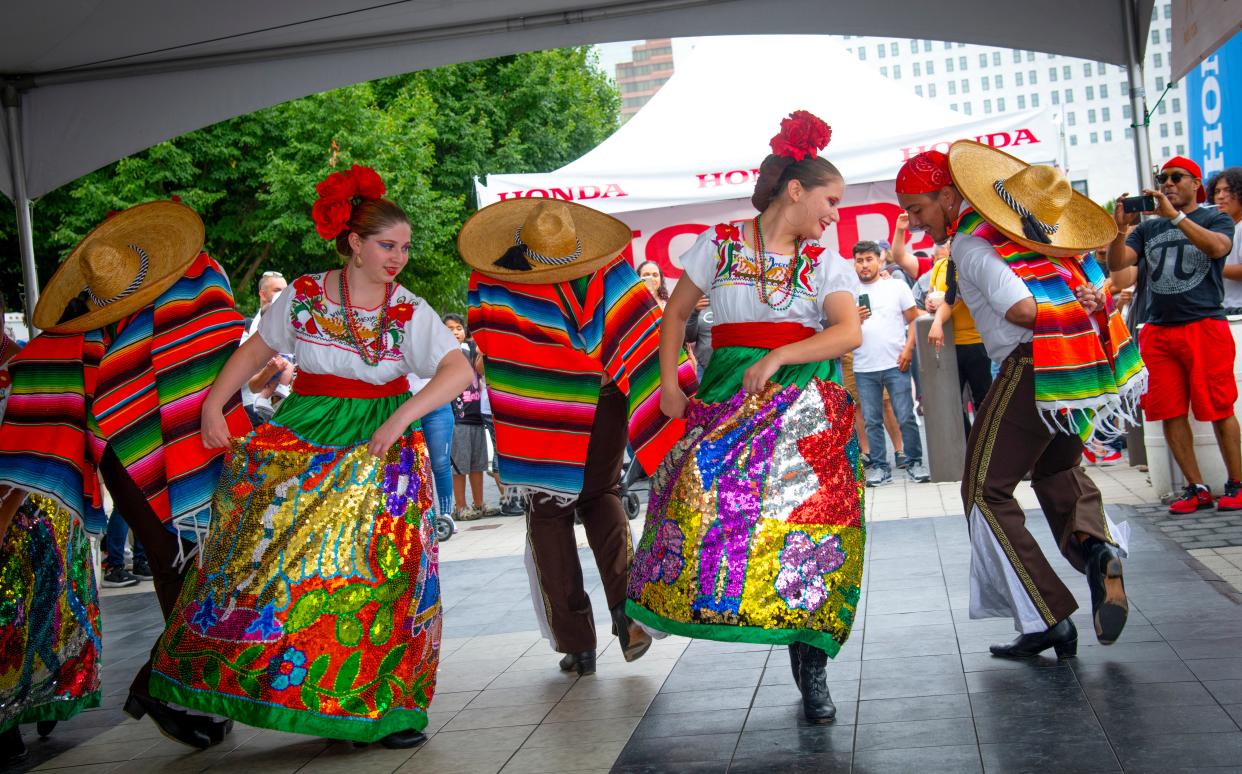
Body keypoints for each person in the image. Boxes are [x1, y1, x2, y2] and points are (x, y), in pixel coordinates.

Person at [149, 165, 472, 749]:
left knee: (379, 576)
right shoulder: (300, 295)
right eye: (386, 245)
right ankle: (289, 694)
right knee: (270, 564)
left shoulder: (408, 310)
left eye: (403, 247)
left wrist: (401, 415)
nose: (397, 257)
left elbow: (458, 368)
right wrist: (214, 406)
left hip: (382, 447)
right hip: (304, 434)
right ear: (354, 243)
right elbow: (258, 348)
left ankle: (376, 710)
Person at [628, 110, 864, 724]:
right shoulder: (721, 242)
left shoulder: (825, 262)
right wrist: (670, 388)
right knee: (692, 496)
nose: (835, 215)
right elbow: (675, 315)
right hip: (728, 395)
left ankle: (811, 668)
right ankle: (655, 605)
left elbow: (847, 331)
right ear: (796, 190)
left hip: (805, 408)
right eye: (830, 201)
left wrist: (783, 352)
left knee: (812, 531)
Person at [0, 201, 249, 750]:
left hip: (183, 447)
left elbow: (223, 336)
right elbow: (33, 390)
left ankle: (171, 683)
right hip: (130, 461)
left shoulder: (186, 296)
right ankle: (165, 685)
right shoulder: (77, 333)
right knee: (173, 564)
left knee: (195, 566)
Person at [898, 144, 1143, 658]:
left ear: (948, 196)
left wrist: (1058, 311)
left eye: (917, 208)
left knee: (985, 493)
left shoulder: (972, 243)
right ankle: (1097, 552)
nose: (914, 221)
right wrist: (1079, 305)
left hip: (1031, 372)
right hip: (1074, 374)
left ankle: (1045, 615)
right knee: (1058, 473)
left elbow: (1022, 309)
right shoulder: (1040, 237)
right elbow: (1091, 295)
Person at [464, 198, 694, 677]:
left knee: (547, 512)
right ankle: (628, 616)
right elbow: (644, 330)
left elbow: (483, 336)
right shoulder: (606, 271)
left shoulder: (491, 279)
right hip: (601, 398)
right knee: (600, 496)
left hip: (532, 405)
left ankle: (577, 643)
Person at [0, 293, 103, 765]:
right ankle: (24, 708)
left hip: (39, 504)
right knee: (26, 611)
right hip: (41, 503)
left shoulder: (27, 361)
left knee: (36, 609)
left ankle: (32, 704)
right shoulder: (34, 361)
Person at [1107, 156, 1240, 514]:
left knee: (1218, 406)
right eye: (1161, 178)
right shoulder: (1147, 229)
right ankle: (1196, 488)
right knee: (1169, 411)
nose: (1166, 183)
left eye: (1175, 177)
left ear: (1195, 183)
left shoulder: (1214, 217)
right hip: (1159, 329)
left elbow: (1217, 248)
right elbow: (1118, 264)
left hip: (1204, 324)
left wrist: (1176, 218)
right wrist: (1121, 230)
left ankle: (1237, 484)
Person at [853, 240, 929, 484]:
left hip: (896, 363)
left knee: (905, 415)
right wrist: (851, 318)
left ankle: (915, 462)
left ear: (879, 260)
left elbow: (914, 320)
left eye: (868, 259)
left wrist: (909, 349)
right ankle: (879, 467)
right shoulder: (847, 292)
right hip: (864, 366)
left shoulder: (896, 286)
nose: (864, 265)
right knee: (872, 420)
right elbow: (837, 327)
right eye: (859, 260)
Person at [925, 246, 995, 435]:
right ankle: (969, 442)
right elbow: (932, 294)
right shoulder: (939, 266)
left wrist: (941, 311)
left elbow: (955, 297)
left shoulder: (967, 265)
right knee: (950, 401)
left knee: (984, 400)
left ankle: (985, 445)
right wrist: (930, 303)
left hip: (976, 342)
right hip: (948, 345)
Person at [443, 313, 491, 520]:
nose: (455, 332)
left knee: (477, 464)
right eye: (450, 329)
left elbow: (480, 370)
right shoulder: (442, 354)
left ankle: (479, 504)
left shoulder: (471, 349)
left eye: (459, 328)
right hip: (457, 417)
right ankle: (460, 506)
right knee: (459, 466)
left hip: (476, 415)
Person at [1213, 167, 1242, 314]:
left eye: (1228, 190)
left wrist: (1210, 265)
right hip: (1223, 311)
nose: (1221, 196)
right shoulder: (1221, 229)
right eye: (1217, 191)